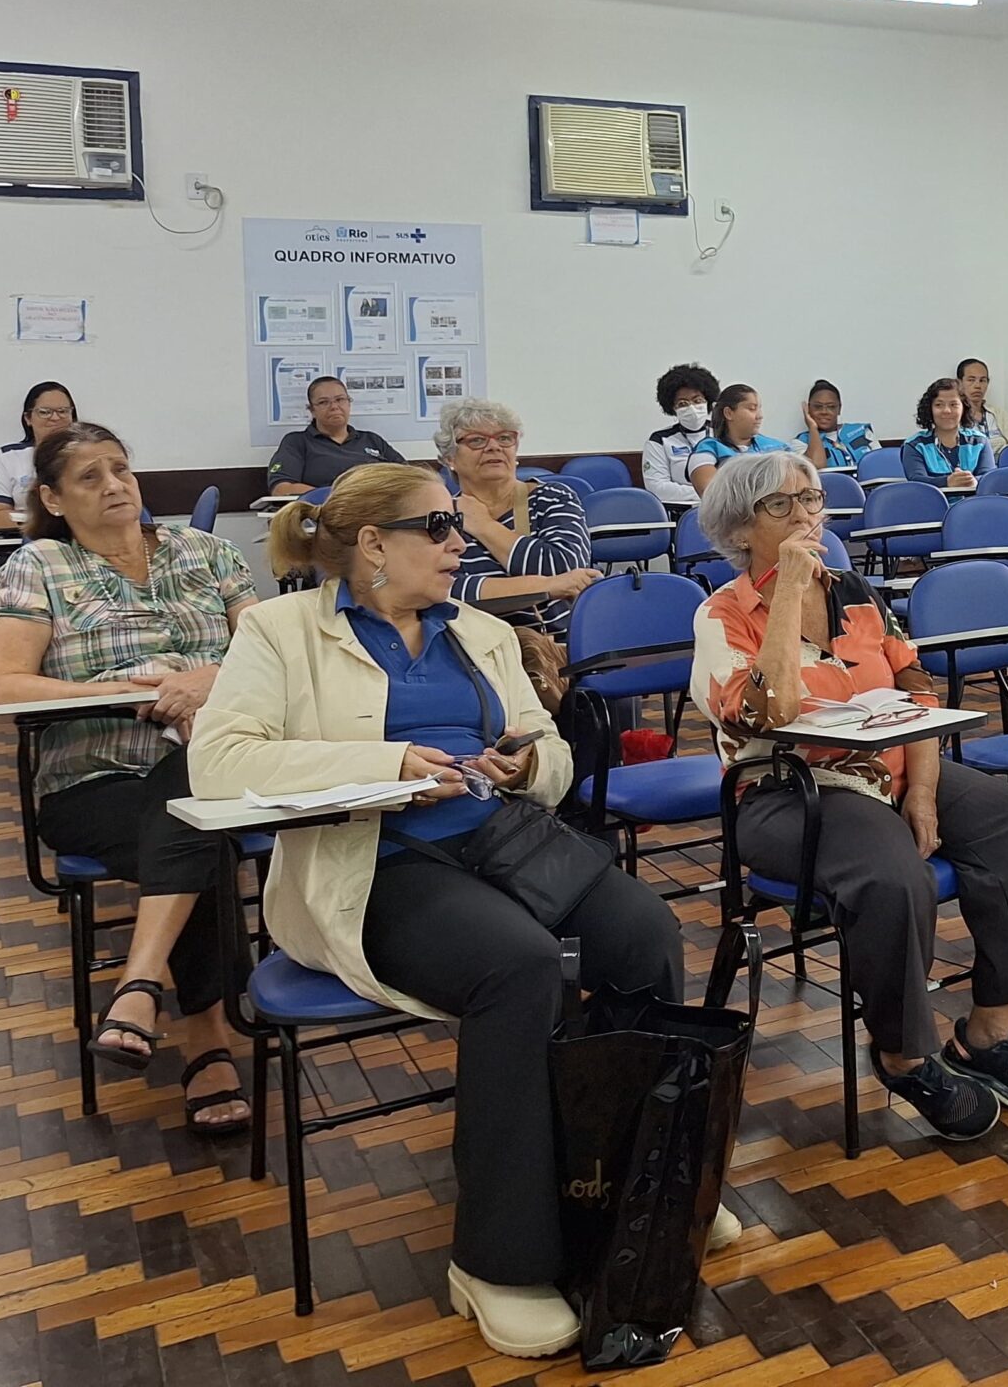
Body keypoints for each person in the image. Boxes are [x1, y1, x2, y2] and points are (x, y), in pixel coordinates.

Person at [191, 463, 734, 1359]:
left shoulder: (478, 630)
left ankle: (652, 1184)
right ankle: (498, 1259)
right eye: (438, 528)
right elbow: (222, 763)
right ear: (372, 544)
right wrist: (388, 762)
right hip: (378, 858)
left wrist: (526, 766)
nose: (460, 544)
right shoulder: (281, 630)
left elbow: (551, 753)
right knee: (516, 965)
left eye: (456, 528)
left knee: (645, 931)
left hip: (500, 838)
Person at [690, 451, 1008, 1140]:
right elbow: (767, 711)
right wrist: (786, 592)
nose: (805, 517)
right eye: (781, 505)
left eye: (811, 500)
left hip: (892, 768)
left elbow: (917, 691)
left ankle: (990, 1032)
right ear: (740, 526)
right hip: (789, 791)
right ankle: (905, 1053)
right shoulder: (722, 615)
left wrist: (927, 792)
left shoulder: (854, 591)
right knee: (891, 873)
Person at [0, 421, 259, 1136]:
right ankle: (207, 1039)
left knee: (196, 790)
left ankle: (140, 984)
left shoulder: (208, 552)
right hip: (93, 777)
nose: (114, 487)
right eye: (90, 478)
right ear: (52, 497)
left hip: (218, 760)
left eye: (121, 470)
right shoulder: (40, 564)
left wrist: (207, 678)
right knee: (206, 831)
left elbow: (275, 658)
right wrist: (115, 691)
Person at [435, 398, 599, 639]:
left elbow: (566, 566)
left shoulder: (552, 497)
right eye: (477, 440)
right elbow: (445, 589)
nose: (494, 447)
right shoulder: (440, 515)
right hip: (471, 649)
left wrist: (484, 525)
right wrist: (548, 586)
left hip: (552, 648)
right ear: (450, 458)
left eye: (505, 438)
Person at [266, 376, 406, 496]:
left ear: (349, 403)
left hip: (380, 512)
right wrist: (337, 497)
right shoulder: (297, 442)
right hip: (325, 515)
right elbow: (281, 489)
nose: (334, 406)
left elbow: (410, 478)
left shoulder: (372, 440)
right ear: (312, 410)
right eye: (323, 402)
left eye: (340, 399)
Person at [0, 381, 78, 529]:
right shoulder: (8, 456)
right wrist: (42, 524)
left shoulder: (88, 453)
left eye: (63, 411)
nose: (55, 418)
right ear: (28, 418)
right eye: (45, 412)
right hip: (26, 538)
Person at [684, 384, 792, 493]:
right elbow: (710, 493)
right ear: (729, 413)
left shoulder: (777, 446)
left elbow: (803, 474)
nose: (759, 416)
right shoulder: (708, 449)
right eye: (752, 409)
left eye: (759, 409)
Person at [642, 362, 719, 512]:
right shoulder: (660, 440)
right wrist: (709, 493)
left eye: (697, 401)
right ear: (672, 408)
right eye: (683, 403)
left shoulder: (724, 433)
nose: (692, 408)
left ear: (708, 402)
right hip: (683, 514)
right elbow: (657, 487)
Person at [901, 377, 989, 491]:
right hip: (931, 506)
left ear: (964, 408)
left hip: (974, 506)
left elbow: (989, 478)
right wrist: (947, 482)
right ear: (929, 409)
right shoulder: (914, 445)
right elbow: (917, 481)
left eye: (954, 405)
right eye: (939, 405)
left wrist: (973, 481)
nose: (947, 410)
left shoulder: (980, 441)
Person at [800, 379, 875, 469]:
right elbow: (817, 465)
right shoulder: (801, 442)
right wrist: (812, 428)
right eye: (818, 407)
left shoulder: (862, 431)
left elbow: (882, 463)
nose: (824, 412)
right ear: (809, 409)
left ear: (839, 409)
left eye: (831, 407)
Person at [955, 358, 1008, 456]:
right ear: (959, 383)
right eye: (971, 380)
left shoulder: (1000, 414)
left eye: (982, 380)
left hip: (1003, 468)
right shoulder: (953, 416)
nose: (977, 385)